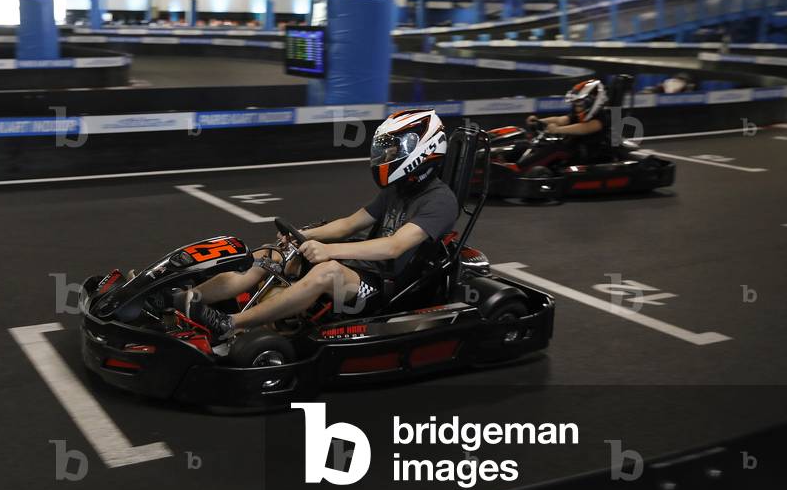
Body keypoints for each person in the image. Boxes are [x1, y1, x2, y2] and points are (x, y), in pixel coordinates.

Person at [176, 109, 459, 340]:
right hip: (364, 269)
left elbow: (394, 246)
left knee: (328, 271)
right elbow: (349, 224)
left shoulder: (440, 201)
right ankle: (187, 300)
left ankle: (230, 323)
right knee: (269, 255)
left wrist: (329, 250)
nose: (386, 157)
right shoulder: (397, 191)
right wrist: (301, 235)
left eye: (394, 150)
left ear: (423, 149)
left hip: (389, 287)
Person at [525, 78, 610, 163]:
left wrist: (558, 129)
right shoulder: (579, 113)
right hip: (572, 148)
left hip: (586, 154)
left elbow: (583, 128)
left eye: (579, 104)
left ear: (592, 102)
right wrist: (540, 121)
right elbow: (561, 120)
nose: (576, 108)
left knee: (556, 149)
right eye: (575, 104)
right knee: (539, 144)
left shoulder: (600, 118)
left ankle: (520, 171)